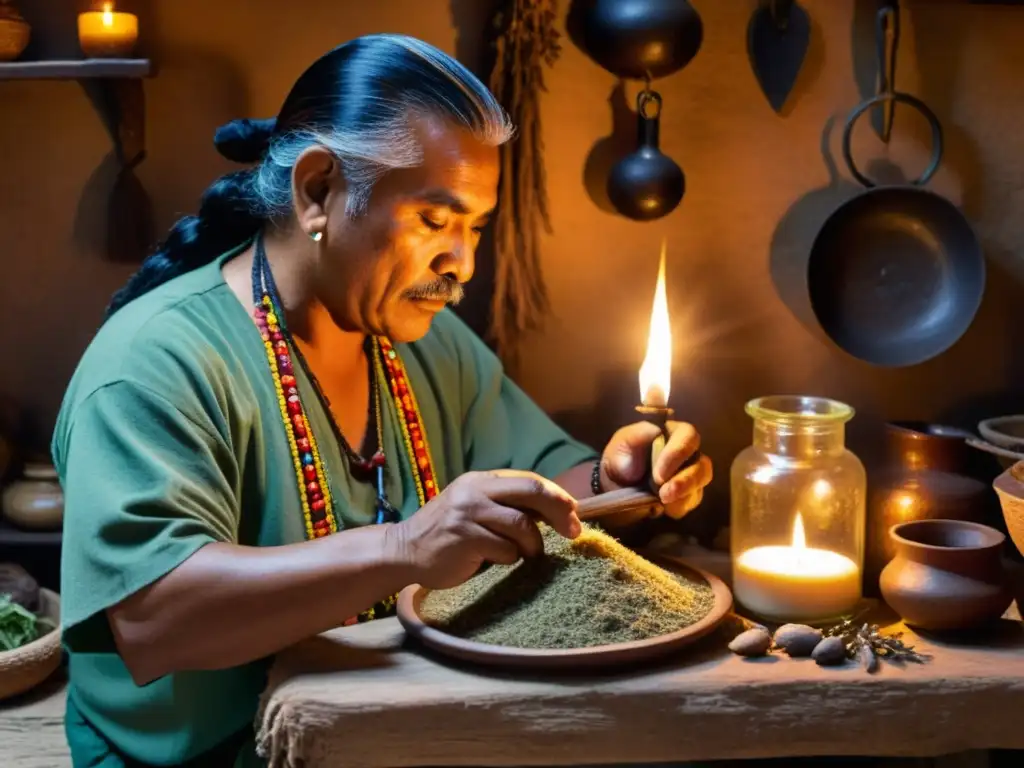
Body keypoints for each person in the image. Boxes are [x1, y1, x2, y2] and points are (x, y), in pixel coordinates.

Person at [52, 34, 713, 768]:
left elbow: (538, 486)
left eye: (475, 228)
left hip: (393, 735)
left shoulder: (421, 339)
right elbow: (153, 617)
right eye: (435, 222)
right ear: (318, 191)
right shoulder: (154, 362)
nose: (462, 264)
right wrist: (405, 548)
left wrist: (613, 484)